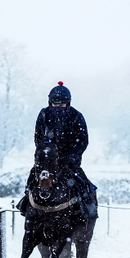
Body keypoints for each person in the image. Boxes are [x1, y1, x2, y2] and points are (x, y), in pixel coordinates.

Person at [31, 81, 97, 220]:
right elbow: (38, 137)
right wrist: (46, 153)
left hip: (69, 161)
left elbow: (83, 140)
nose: (58, 107)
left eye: (61, 105)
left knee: (83, 185)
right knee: (32, 179)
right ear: (50, 102)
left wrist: (72, 158)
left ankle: (88, 209)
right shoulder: (43, 114)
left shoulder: (76, 116)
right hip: (47, 161)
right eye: (55, 105)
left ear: (68, 103)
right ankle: (27, 203)